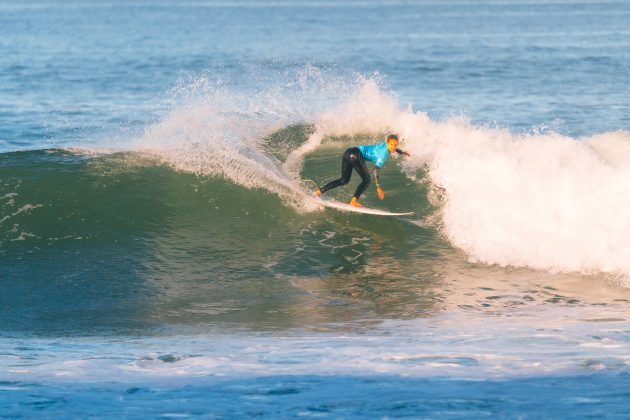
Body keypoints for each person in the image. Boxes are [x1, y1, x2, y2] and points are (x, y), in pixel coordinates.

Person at [314, 134, 411, 207]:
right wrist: (378, 187)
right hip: (356, 155)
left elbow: (394, 149)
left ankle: (318, 192)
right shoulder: (384, 154)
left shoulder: (386, 145)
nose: (393, 147)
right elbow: (376, 169)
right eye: (391, 145)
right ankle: (354, 201)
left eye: (396, 145)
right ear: (387, 143)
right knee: (367, 180)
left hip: (348, 152)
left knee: (344, 180)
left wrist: (402, 152)